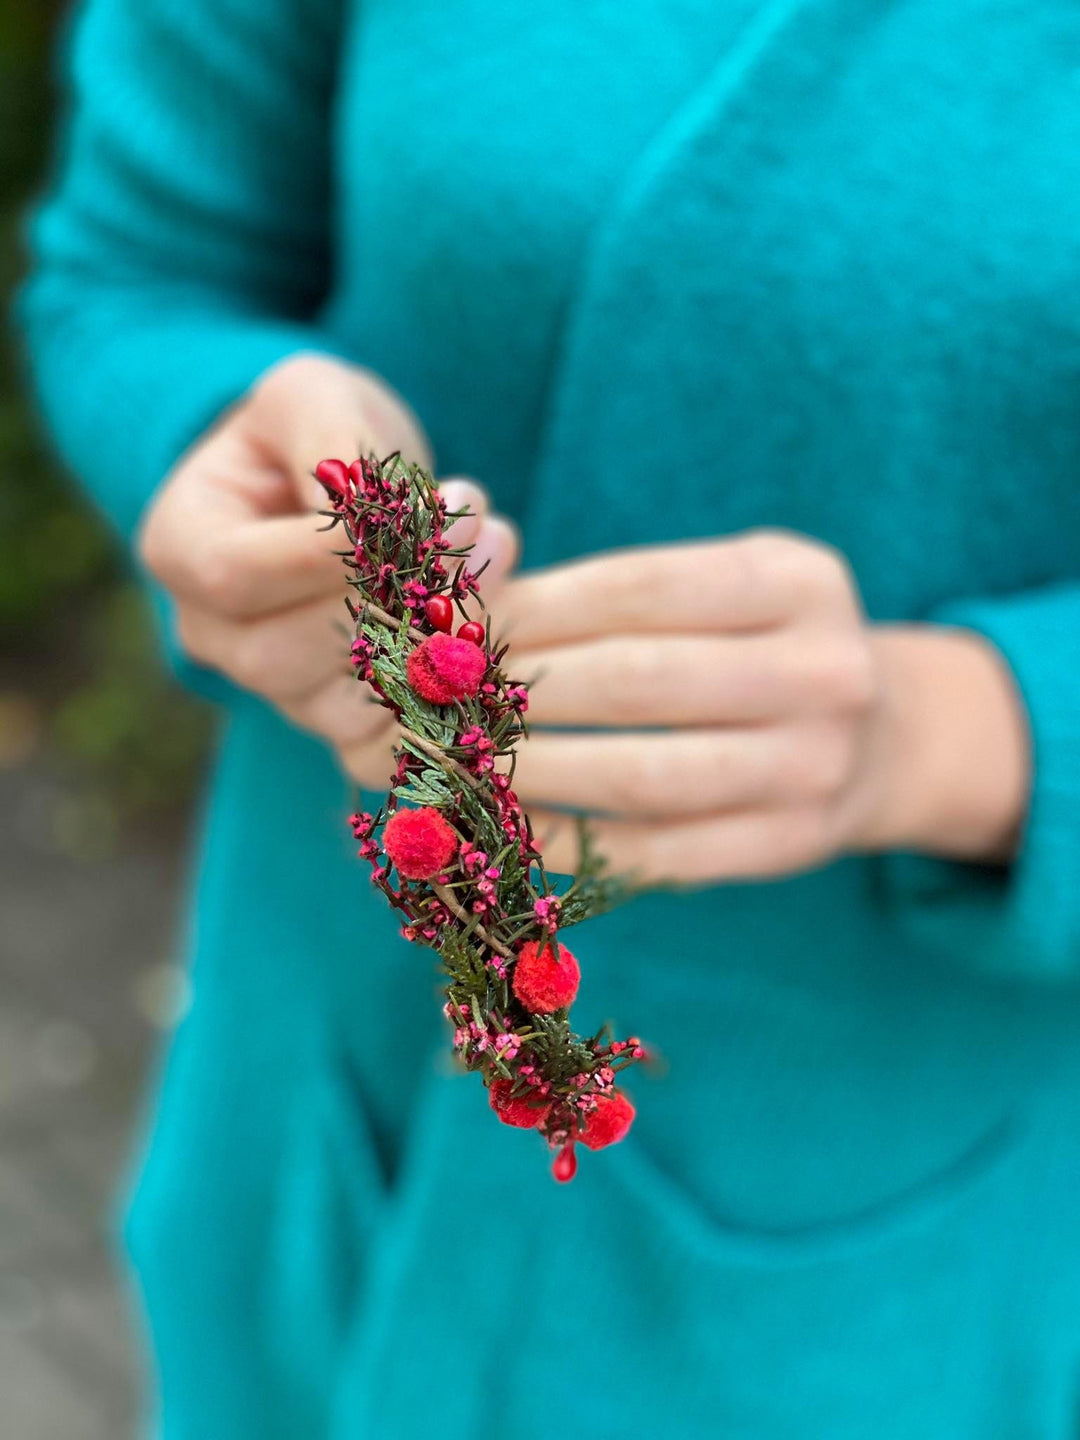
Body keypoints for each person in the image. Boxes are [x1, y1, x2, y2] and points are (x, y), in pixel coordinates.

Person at [18, 1, 1080, 1435]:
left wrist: (969, 730)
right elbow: (138, 268)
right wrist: (211, 447)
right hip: (318, 1119)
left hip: (907, 1233)